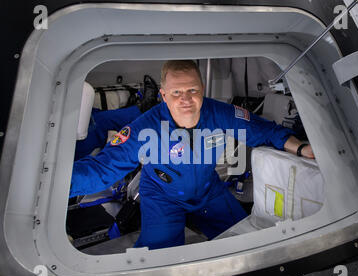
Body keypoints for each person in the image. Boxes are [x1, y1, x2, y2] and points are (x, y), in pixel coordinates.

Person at [70, 60, 314, 250]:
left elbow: (263, 130)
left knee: (247, 242)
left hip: (209, 191)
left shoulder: (220, 113)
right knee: (160, 262)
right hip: (162, 196)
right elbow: (103, 169)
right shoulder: (145, 127)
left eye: (192, 90)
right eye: (176, 93)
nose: (185, 99)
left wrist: (302, 148)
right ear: (163, 95)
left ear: (202, 89)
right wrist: (46, 185)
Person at [74, 75, 159, 161]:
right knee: (96, 122)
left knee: (88, 113)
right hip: (69, 152)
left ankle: (130, 113)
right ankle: (141, 111)